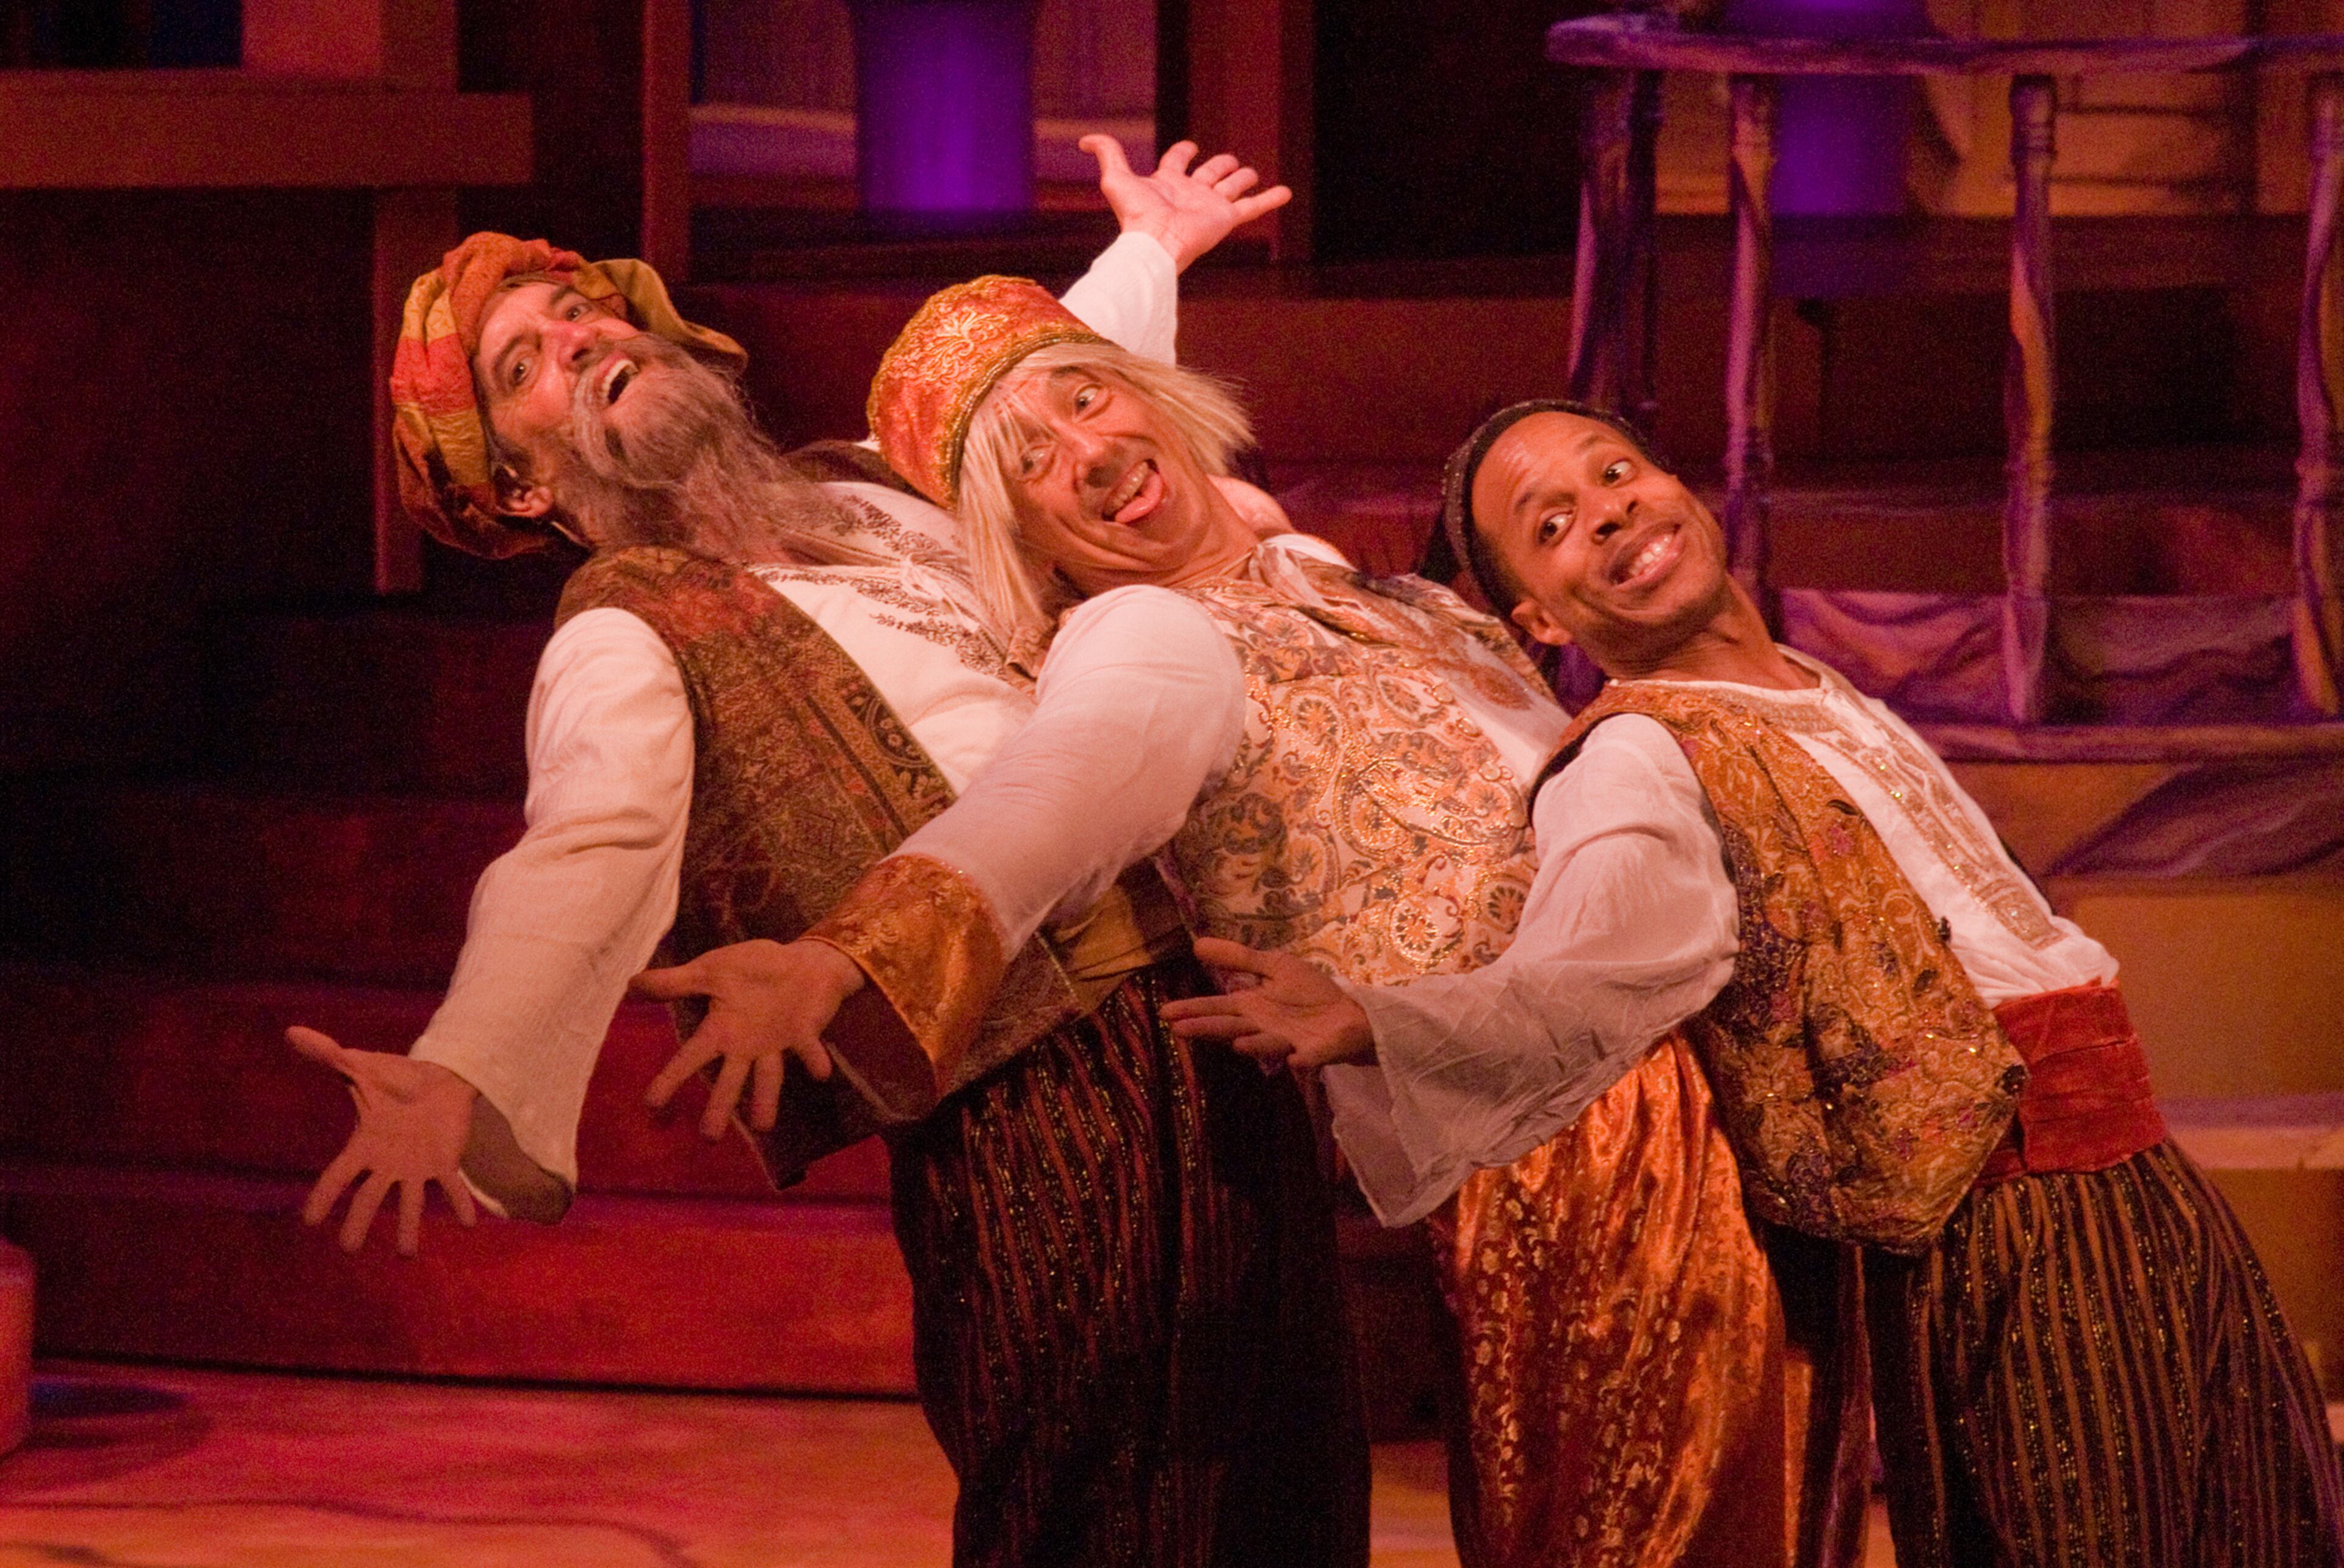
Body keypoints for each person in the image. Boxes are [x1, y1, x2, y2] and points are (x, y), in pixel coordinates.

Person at [289, 139, 1372, 1568]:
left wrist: (1152, 252)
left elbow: (1025, 402)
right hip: (1017, 1082)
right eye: (524, 370)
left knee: (1287, 1482)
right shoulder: (629, 622)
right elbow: (588, 843)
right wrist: (468, 1057)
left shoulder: (861, 493)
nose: (578, 341)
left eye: (579, 313)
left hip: (1215, 1024)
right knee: (1090, 1500)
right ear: (520, 488)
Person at [649, 294, 1864, 1567]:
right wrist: (846, 955)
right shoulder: (1139, 635)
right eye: (1029, 464)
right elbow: (1050, 797)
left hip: (1734, 1076)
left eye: (1084, 398)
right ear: (1022, 541)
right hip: (1575, 1140)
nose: (1089, 450)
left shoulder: (1343, 579)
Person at [1166, 398, 2344, 1568]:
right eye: (1554, 523)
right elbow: (1581, 978)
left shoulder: (1825, 687)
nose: (1611, 511)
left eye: (1616, 471)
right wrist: (1376, 1016)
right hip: (2003, 1220)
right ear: (1535, 611)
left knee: (2263, 1519)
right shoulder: (1634, 756)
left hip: (2142, 1181)